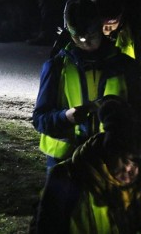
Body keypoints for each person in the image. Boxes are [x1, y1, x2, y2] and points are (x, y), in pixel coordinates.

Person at [32, 0, 141, 170]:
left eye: (91, 35)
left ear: (100, 27)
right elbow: (40, 120)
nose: (86, 42)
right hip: (66, 164)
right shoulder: (55, 67)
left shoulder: (126, 67)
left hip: (112, 162)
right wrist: (65, 117)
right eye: (78, 37)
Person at [33, 98, 141, 233]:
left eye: (137, 163)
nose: (130, 169)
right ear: (108, 150)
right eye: (125, 159)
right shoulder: (65, 179)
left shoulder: (137, 188)